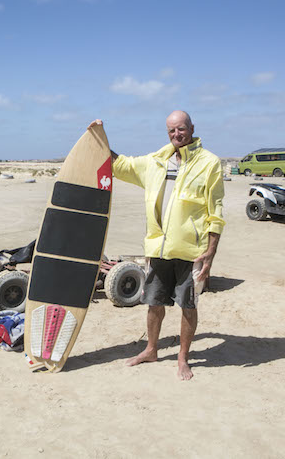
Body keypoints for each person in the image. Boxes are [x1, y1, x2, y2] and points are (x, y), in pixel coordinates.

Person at [92, 111, 225, 380]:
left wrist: (210, 254)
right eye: (172, 131)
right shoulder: (156, 161)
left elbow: (216, 212)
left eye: (181, 129)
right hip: (158, 248)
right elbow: (122, 165)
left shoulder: (209, 163)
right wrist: (98, 140)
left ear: (192, 128)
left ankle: (182, 358)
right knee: (154, 303)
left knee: (188, 305)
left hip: (191, 251)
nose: (177, 134)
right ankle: (151, 349)